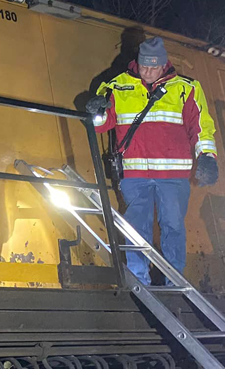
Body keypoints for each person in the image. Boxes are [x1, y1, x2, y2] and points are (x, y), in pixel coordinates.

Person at [86, 36, 218, 284]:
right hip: (134, 175)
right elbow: (100, 126)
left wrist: (207, 158)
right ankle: (139, 281)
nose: (147, 71)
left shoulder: (186, 88)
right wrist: (96, 110)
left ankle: (175, 281)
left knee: (173, 228)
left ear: (164, 64)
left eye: (153, 67)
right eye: (143, 65)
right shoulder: (116, 86)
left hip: (173, 176)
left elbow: (201, 128)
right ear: (137, 61)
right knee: (136, 228)